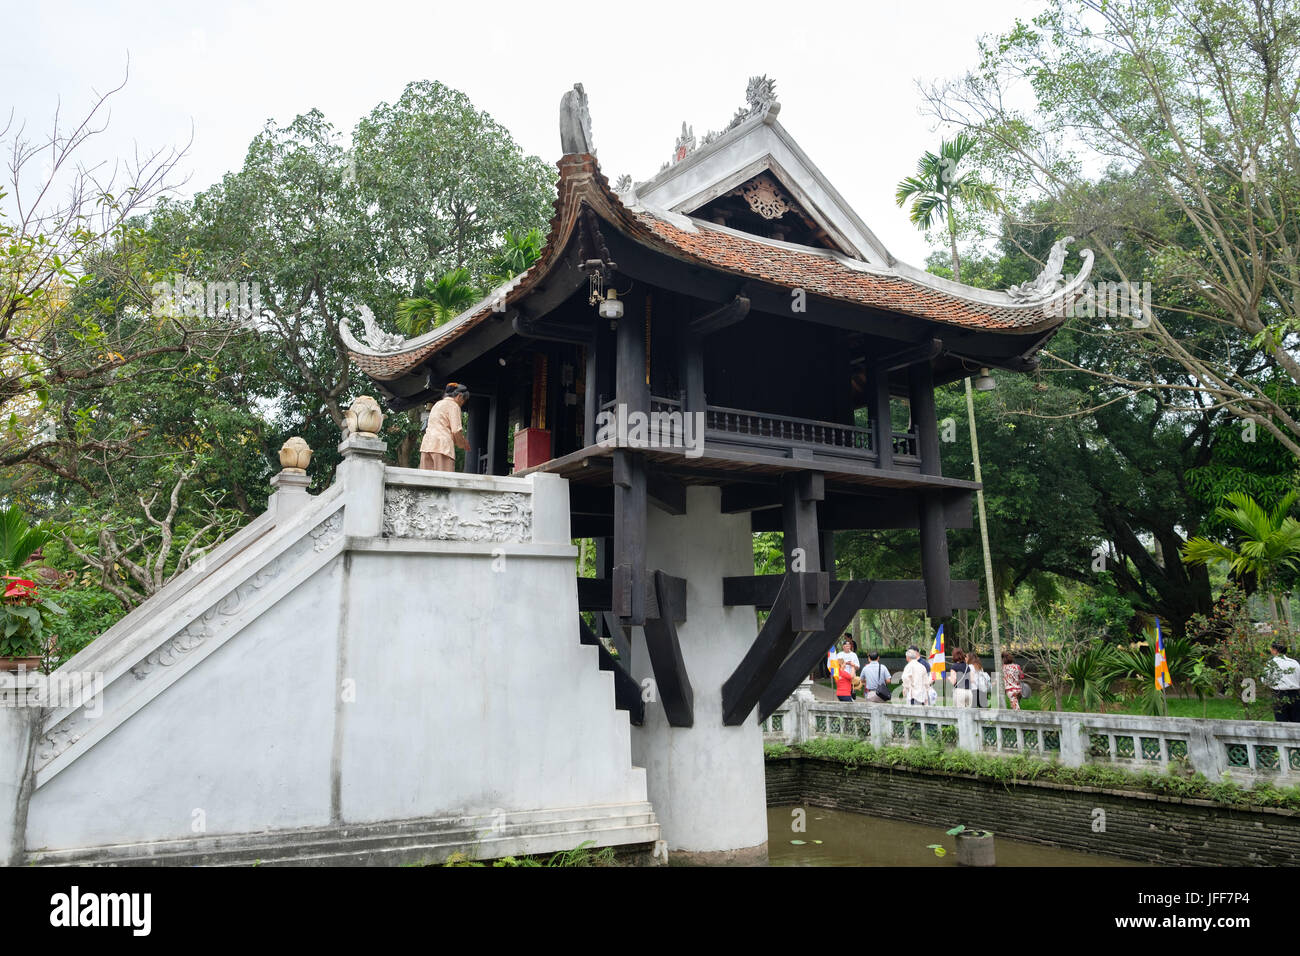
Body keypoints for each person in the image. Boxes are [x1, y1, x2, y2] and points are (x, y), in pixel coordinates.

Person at [420, 383, 471, 472]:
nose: (462, 404)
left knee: (426, 482)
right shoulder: (453, 405)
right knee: (444, 481)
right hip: (442, 447)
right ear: (459, 396)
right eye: (463, 400)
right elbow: (456, 430)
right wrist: (462, 443)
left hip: (427, 446)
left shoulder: (437, 405)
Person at [1264, 642, 1300, 722]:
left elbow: (1265, 681)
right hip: (1295, 695)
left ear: (1275, 651)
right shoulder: (1295, 663)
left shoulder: (1270, 664)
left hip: (1278, 695)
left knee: (1281, 723)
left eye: (1271, 649)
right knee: (1297, 722)